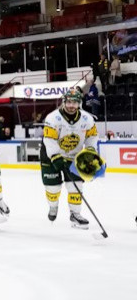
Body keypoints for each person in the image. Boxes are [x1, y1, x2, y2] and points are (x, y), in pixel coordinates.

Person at [40, 91, 98, 228]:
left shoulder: (87, 119)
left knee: (76, 185)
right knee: (53, 189)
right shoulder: (53, 117)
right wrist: (55, 155)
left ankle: (75, 214)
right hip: (51, 155)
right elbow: (49, 140)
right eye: (69, 102)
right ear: (64, 102)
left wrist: (90, 150)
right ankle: (53, 206)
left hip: (73, 156)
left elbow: (92, 137)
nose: (72, 105)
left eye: (75, 102)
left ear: (79, 103)